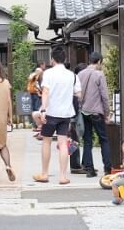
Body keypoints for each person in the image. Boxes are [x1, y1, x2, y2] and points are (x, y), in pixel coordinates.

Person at [32, 46, 81, 185]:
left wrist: (43, 110)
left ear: (52, 59)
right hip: (65, 114)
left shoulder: (48, 73)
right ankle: (63, 176)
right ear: (64, 59)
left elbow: (45, 92)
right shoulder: (72, 75)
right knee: (63, 143)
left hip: (50, 113)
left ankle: (45, 174)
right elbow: (78, 93)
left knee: (46, 142)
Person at [77, 51, 112, 177]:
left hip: (84, 112)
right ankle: (108, 168)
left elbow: (77, 94)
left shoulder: (80, 74)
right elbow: (104, 96)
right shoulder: (99, 75)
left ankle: (89, 169)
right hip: (97, 112)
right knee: (103, 139)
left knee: (87, 141)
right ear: (99, 62)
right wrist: (107, 113)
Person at [70, 63, 87, 174]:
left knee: (75, 140)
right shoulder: (75, 83)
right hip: (73, 115)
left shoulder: (75, 82)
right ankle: (75, 166)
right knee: (74, 140)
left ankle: (80, 164)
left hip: (74, 114)